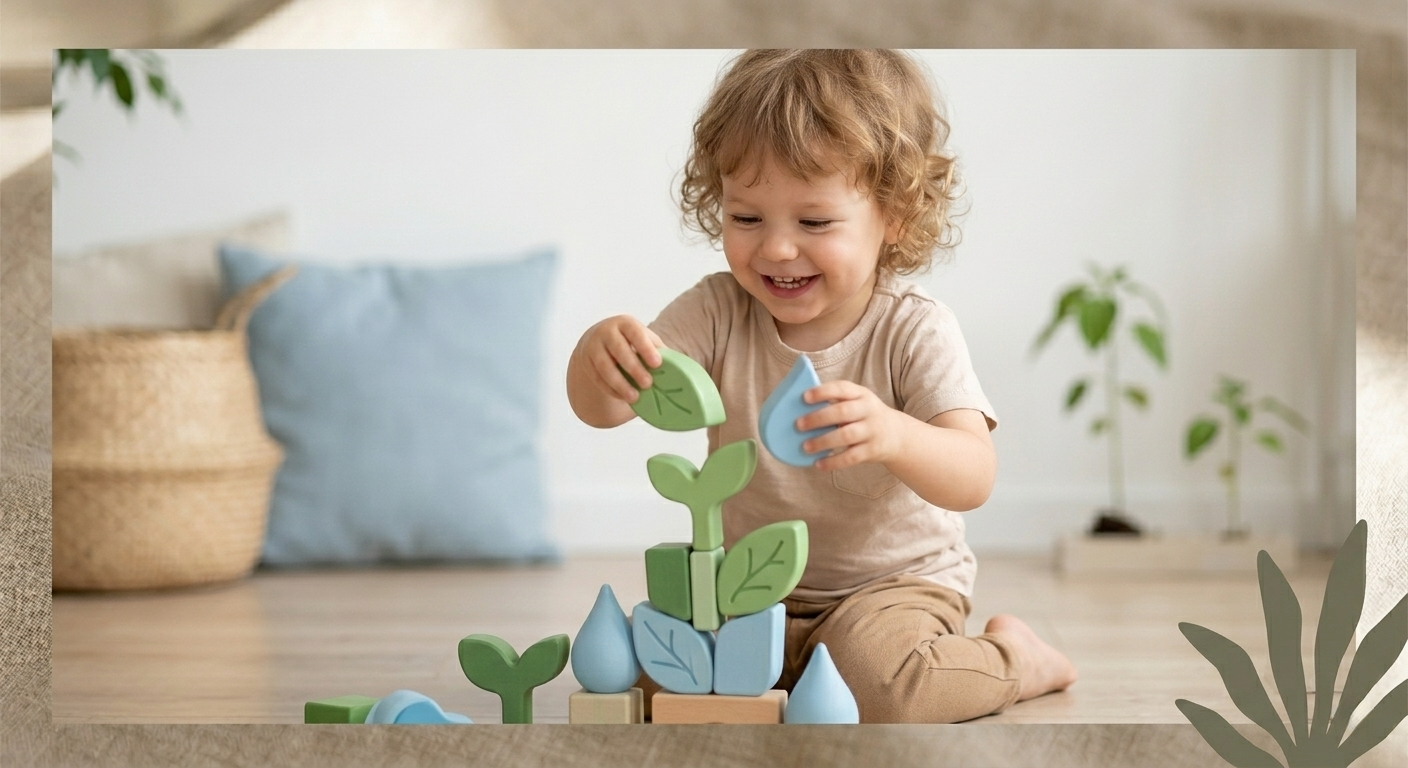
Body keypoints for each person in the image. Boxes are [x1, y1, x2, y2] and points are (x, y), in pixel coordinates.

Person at [565, 49, 1076, 723]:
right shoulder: (717, 311)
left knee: (878, 687)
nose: (776, 248)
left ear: (893, 216)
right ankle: (787, 672)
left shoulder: (912, 329)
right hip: (748, 585)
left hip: (890, 588)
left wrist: (895, 435)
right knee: (651, 674)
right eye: (747, 218)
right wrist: (598, 355)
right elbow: (606, 408)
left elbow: (973, 475)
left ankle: (1017, 661)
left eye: (813, 222)